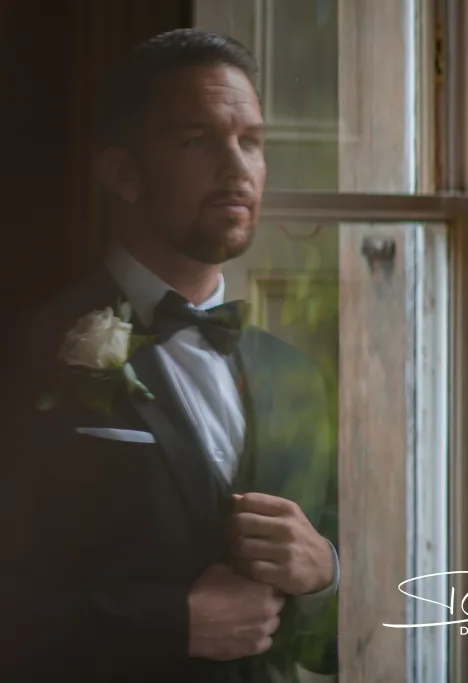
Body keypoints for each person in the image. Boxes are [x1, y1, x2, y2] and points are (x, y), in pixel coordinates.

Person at [0, 29, 338, 682]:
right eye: (197, 140)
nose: (238, 168)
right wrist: (172, 619)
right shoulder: (27, 353)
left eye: (251, 141)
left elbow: (321, 645)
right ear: (123, 173)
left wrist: (325, 572)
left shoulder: (295, 376)